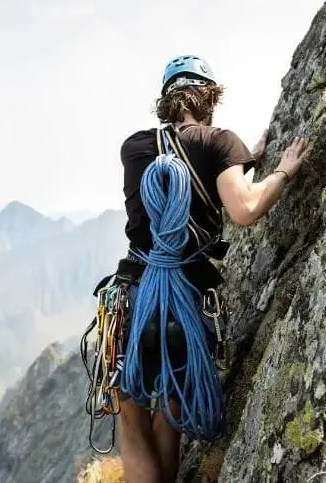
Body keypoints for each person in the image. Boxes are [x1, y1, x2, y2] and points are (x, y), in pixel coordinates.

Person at [110, 55, 310, 482]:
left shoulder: (134, 147)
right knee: (172, 411)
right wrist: (281, 171)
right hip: (185, 302)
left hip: (136, 296)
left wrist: (237, 161)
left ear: (166, 100)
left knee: (131, 415)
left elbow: (173, 175)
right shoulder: (220, 143)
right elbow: (245, 207)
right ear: (209, 98)